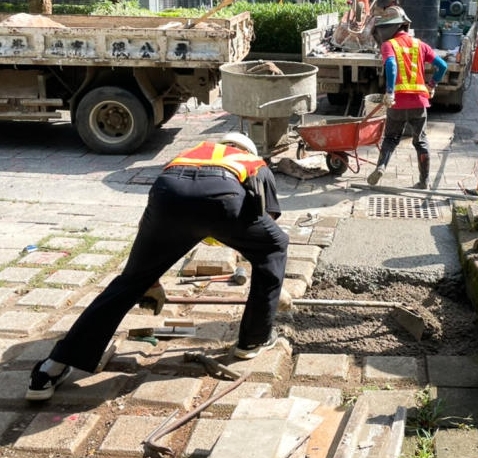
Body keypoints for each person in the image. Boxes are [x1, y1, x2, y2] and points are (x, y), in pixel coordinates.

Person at [26, 132, 289, 400]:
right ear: (248, 149)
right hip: (222, 201)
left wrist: (148, 279)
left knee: (128, 283)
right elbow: (267, 223)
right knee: (276, 246)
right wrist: (270, 281)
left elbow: (148, 224)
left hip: (167, 197)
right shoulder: (253, 162)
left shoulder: (192, 153)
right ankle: (253, 340)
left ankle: (51, 369)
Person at [366, 6, 449, 190]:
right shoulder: (420, 44)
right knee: (420, 141)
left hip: (397, 103)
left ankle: (381, 167)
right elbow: (442, 66)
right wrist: (432, 85)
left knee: (390, 139)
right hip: (419, 102)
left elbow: (390, 64)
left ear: (389, 28)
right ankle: (424, 181)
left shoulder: (389, 45)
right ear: (404, 25)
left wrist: (390, 91)